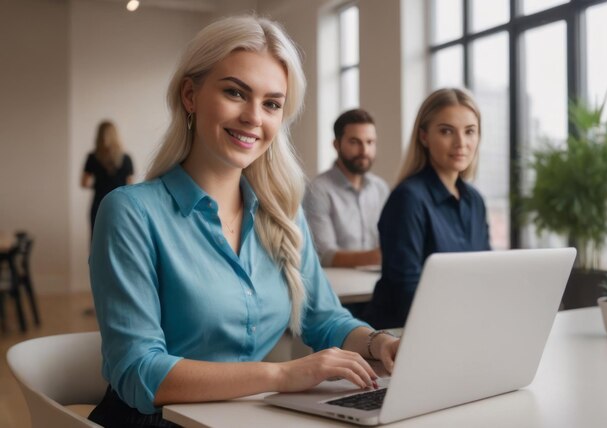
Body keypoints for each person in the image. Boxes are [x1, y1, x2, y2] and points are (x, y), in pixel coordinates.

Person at [87, 15, 399, 427]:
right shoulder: (131, 213)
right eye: (236, 92)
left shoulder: (282, 213)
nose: (255, 117)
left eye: (272, 103)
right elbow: (138, 372)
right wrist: (283, 375)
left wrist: (379, 343)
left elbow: (322, 318)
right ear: (190, 95)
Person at [362, 88, 491, 329]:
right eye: (446, 131)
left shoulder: (475, 201)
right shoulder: (408, 199)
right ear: (424, 136)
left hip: (459, 328)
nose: (461, 143)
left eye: (470, 131)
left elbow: (485, 275)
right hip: (402, 336)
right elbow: (406, 293)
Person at [303, 109, 389, 268]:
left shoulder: (380, 188)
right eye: (355, 142)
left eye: (370, 142)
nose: (364, 151)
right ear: (336, 144)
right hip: (338, 287)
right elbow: (325, 256)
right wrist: (384, 254)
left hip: (377, 282)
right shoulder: (318, 190)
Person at [81, 120, 134, 235]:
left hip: (99, 204)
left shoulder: (92, 157)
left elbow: (84, 183)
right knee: (119, 238)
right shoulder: (126, 158)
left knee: (97, 240)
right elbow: (130, 186)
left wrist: (98, 185)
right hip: (120, 205)